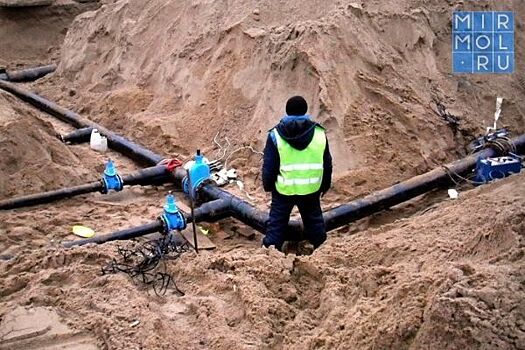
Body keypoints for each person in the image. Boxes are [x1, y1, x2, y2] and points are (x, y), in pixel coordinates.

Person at [262, 96, 332, 252]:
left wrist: (268, 185)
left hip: (284, 189)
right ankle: (323, 252)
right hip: (310, 188)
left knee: (276, 225)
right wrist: (325, 185)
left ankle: (270, 255)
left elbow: (270, 166)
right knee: (315, 224)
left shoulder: (275, 135)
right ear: (305, 110)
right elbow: (327, 163)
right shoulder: (319, 134)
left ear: (287, 111)